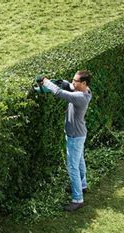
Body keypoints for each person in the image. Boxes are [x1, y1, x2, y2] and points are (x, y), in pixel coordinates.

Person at [39, 71, 92, 211]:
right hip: (79, 134)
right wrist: (64, 82)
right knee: (79, 160)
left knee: (72, 167)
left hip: (74, 136)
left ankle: (77, 199)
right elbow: (70, 87)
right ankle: (82, 185)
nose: (73, 83)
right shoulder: (86, 90)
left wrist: (46, 82)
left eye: (76, 81)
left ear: (84, 83)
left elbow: (60, 93)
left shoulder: (80, 97)